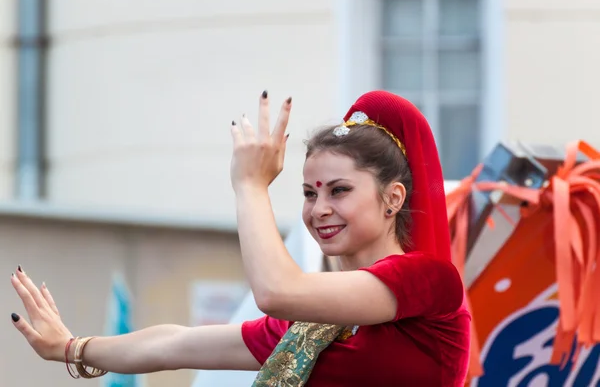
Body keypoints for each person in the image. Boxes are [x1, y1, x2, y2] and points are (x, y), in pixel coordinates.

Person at [10, 90, 471, 386]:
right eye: (309, 193)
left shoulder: (430, 282)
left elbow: (276, 292)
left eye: (340, 190)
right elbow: (176, 344)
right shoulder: (312, 326)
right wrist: (71, 348)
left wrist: (250, 186)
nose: (319, 208)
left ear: (393, 198)